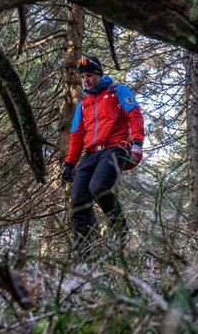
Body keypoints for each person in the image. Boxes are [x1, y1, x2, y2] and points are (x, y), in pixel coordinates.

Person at [61, 54, 145, 258]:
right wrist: (69, 163)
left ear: (98, 74)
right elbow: (76, 136)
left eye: (89, 75)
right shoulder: (83, 105)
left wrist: (137, 145)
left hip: (115, 148)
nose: (85, 80)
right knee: (79, 202)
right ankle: (84, 256)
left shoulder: (117, 91)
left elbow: (135, 115)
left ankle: (120, 230)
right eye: (82, 77)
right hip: (90, 154)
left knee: (98, 187)